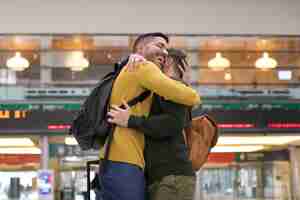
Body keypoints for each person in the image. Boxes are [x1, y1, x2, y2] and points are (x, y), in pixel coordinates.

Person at [98, 33, 200, 200]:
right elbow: (191, 97)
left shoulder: (170, 89)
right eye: (160, 48)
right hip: (144, 169)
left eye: (167, 58)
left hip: (171, 174)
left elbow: (173, 123)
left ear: (181, 69)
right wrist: (134, 58)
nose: (163, 55)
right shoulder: (145, 75)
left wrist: (131, 120)